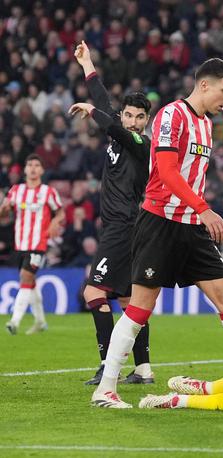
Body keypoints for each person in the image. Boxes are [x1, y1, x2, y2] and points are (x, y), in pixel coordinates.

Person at [90, 58, 223, 409]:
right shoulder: (173, 115)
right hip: (160, 223)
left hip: (192, 227)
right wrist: (204, 209)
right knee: (141, 307)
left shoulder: (206, 125)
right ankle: (105, 389)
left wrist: (199, 211)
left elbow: (190, 177)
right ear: (204, 85)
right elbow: (167, 172)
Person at [69, 41, 155, 386]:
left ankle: (108, 365)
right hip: (124, 228)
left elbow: (108, 121)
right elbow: (106, 106)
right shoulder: (117, 134)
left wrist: (92, 112)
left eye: (140, 117)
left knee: (93, 293)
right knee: (126, 299)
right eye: (129, 115)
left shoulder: (142, 145)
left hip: (123, 227)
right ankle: (144, 368)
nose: (133, 122)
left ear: (146, 121)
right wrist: (88, 63)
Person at [2, 155, 64, 335]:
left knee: (25, 276)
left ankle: (14, 321)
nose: (33, 168)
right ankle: (40, 321)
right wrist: (4, 209)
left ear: (42, 170)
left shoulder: (48, 192)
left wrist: (54, 223)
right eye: (30, 165)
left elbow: (60, 213)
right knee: (31, 282)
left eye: (37, 165)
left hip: (39, 243)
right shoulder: (16, 190)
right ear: (25, 169)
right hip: (20, 243)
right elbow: (3, 214)